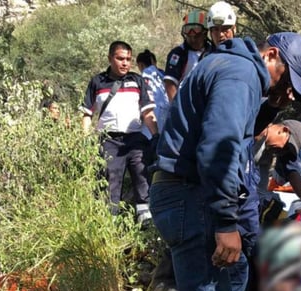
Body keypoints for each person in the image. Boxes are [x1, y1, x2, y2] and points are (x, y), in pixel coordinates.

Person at [149, 32, 301, 291]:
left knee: (237, 276)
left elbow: (239, 133)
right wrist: (226, 222)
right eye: (286, 82)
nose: (287, 94)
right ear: (271, 55)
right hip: (188, 195)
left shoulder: (232, 67)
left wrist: (273, 105)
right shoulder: (242, 74)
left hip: (185, 193)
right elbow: (219, 147)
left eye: (292, 93)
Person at [80, 41, 158, 222]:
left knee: (143, 177)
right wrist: (84, 141)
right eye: (120, 58)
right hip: (109, 141)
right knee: (110, 184)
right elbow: (86, 114)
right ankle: (110, 227)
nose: (125, 63)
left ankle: (145, 224)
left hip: (135, 139)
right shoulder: (97, 82)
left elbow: (147, 112)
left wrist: (156, 136)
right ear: (110, 58)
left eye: (128, 59)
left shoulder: (137, 81)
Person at [163, 9, 213, 102]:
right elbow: (170, 84)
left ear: (205, 33)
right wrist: (176, 108)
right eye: (189, 36)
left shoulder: (212, 53)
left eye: (197, 36)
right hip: (184, 104)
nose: (193, 40)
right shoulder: (178, 53)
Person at [136, 49, 170, 139]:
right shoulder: (164, 75)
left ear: (140, 65)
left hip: (152, 113)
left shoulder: (144, 76)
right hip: (167, 113)